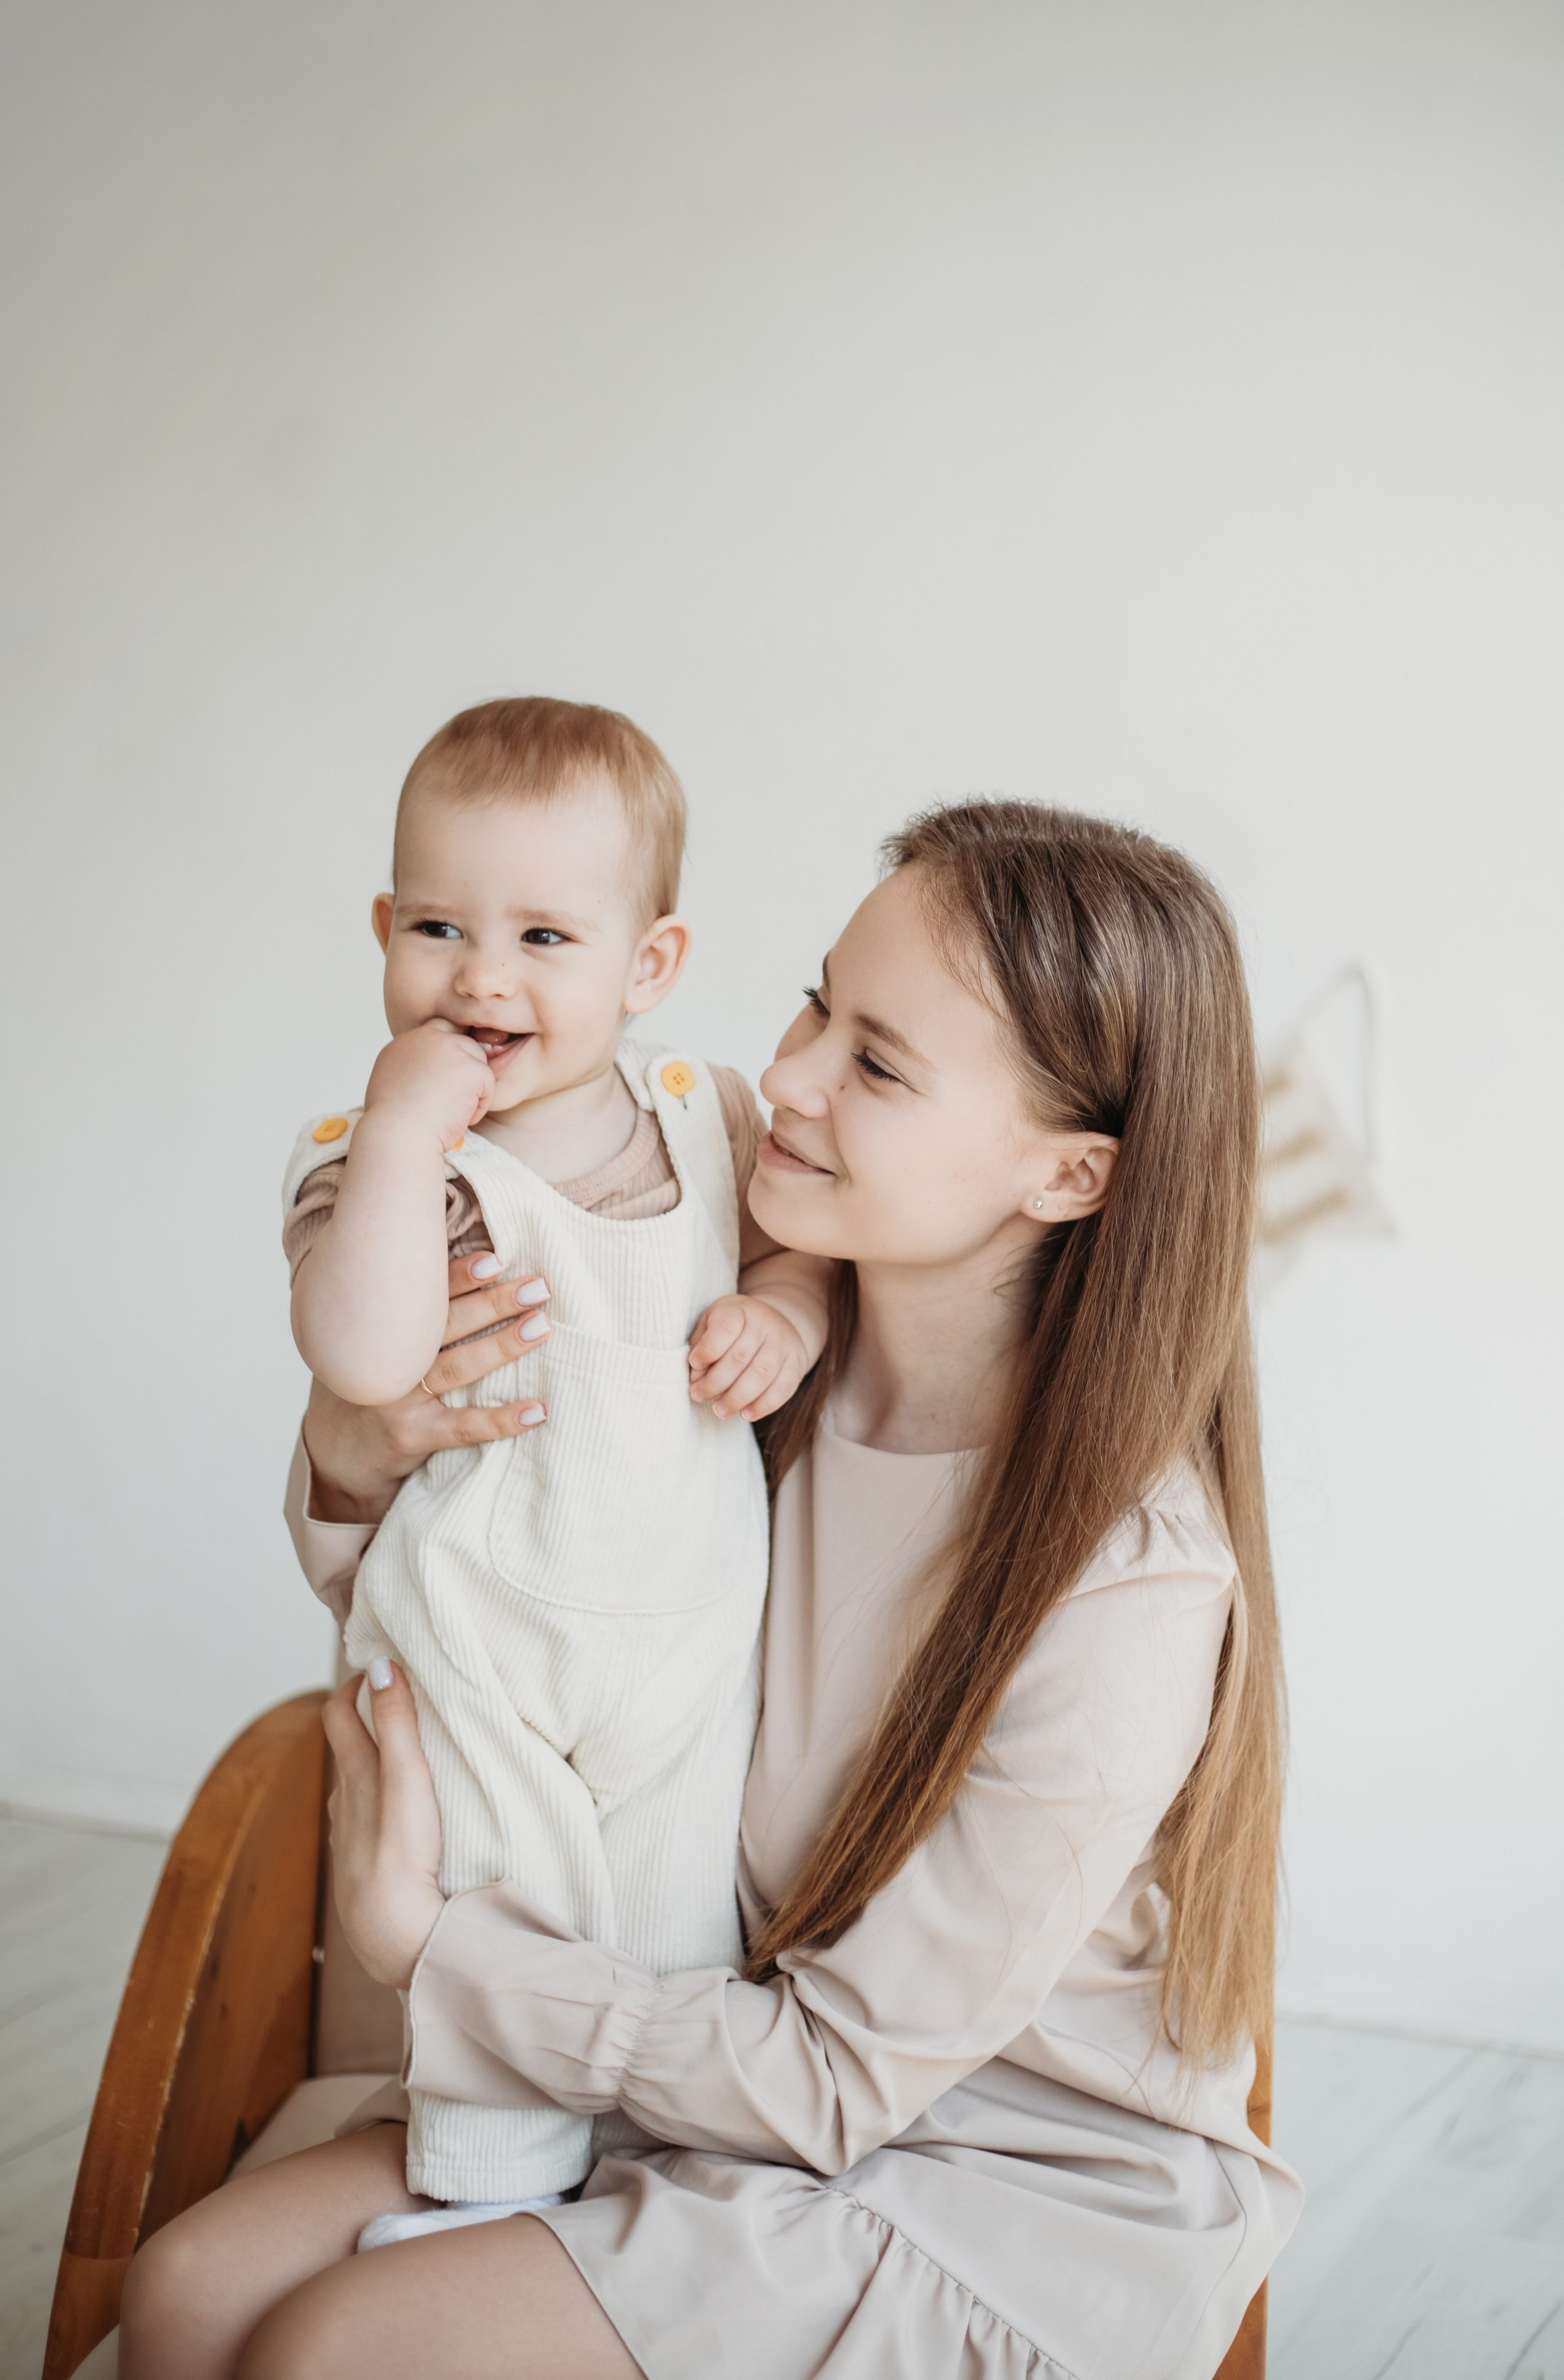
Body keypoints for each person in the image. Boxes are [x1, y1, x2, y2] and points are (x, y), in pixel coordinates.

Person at [123, 798, 1301, 2380]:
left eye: (876, 1066)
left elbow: (832, 2085)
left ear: (1071, 1177)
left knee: (336, 2346)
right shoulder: (739, 1351)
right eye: (818, 1001)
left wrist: (433, 1948)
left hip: (986, 2192)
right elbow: (476, 1625)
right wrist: (354, 1445)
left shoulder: (1123, 1583)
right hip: (685, 2049)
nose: (789, 1075)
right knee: (186, 2294)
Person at [279, 695, 828, 2224]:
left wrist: (781, 1311)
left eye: (542, 939)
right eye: (440, 928)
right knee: (497, 1906)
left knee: (671, 1935)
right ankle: (481, 2205)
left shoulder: (707, 1119)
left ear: (647, 967)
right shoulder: (379, 1159)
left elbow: (802, 1257)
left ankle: (660, 2204)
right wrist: (399, 1138)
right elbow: (367, 1358)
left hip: (686, 1635)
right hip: (477, 1634)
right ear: (385, 930)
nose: (479, 978)